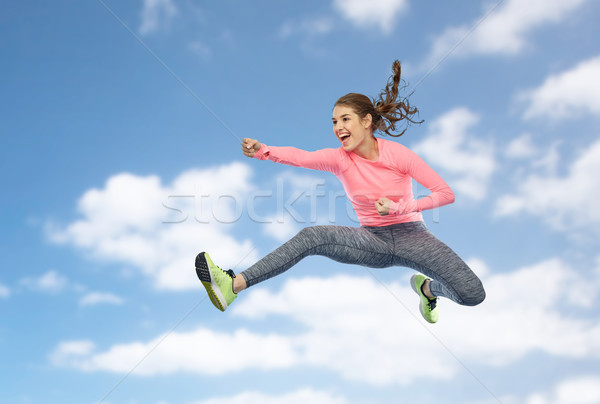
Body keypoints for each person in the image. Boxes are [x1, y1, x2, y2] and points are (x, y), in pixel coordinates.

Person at [195, 60, 485, 323]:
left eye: (345, 119)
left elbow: (445, 193)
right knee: (312, 237)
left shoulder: (398, 155)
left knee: (472, 293)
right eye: (334, 121)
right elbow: (300, 156)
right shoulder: (339, 159)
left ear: (366, 121)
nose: (338, 127)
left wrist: (399, 209)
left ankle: (426, 289)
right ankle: (232, 285)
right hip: (373, 240)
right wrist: (264, 151)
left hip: (414, 236)